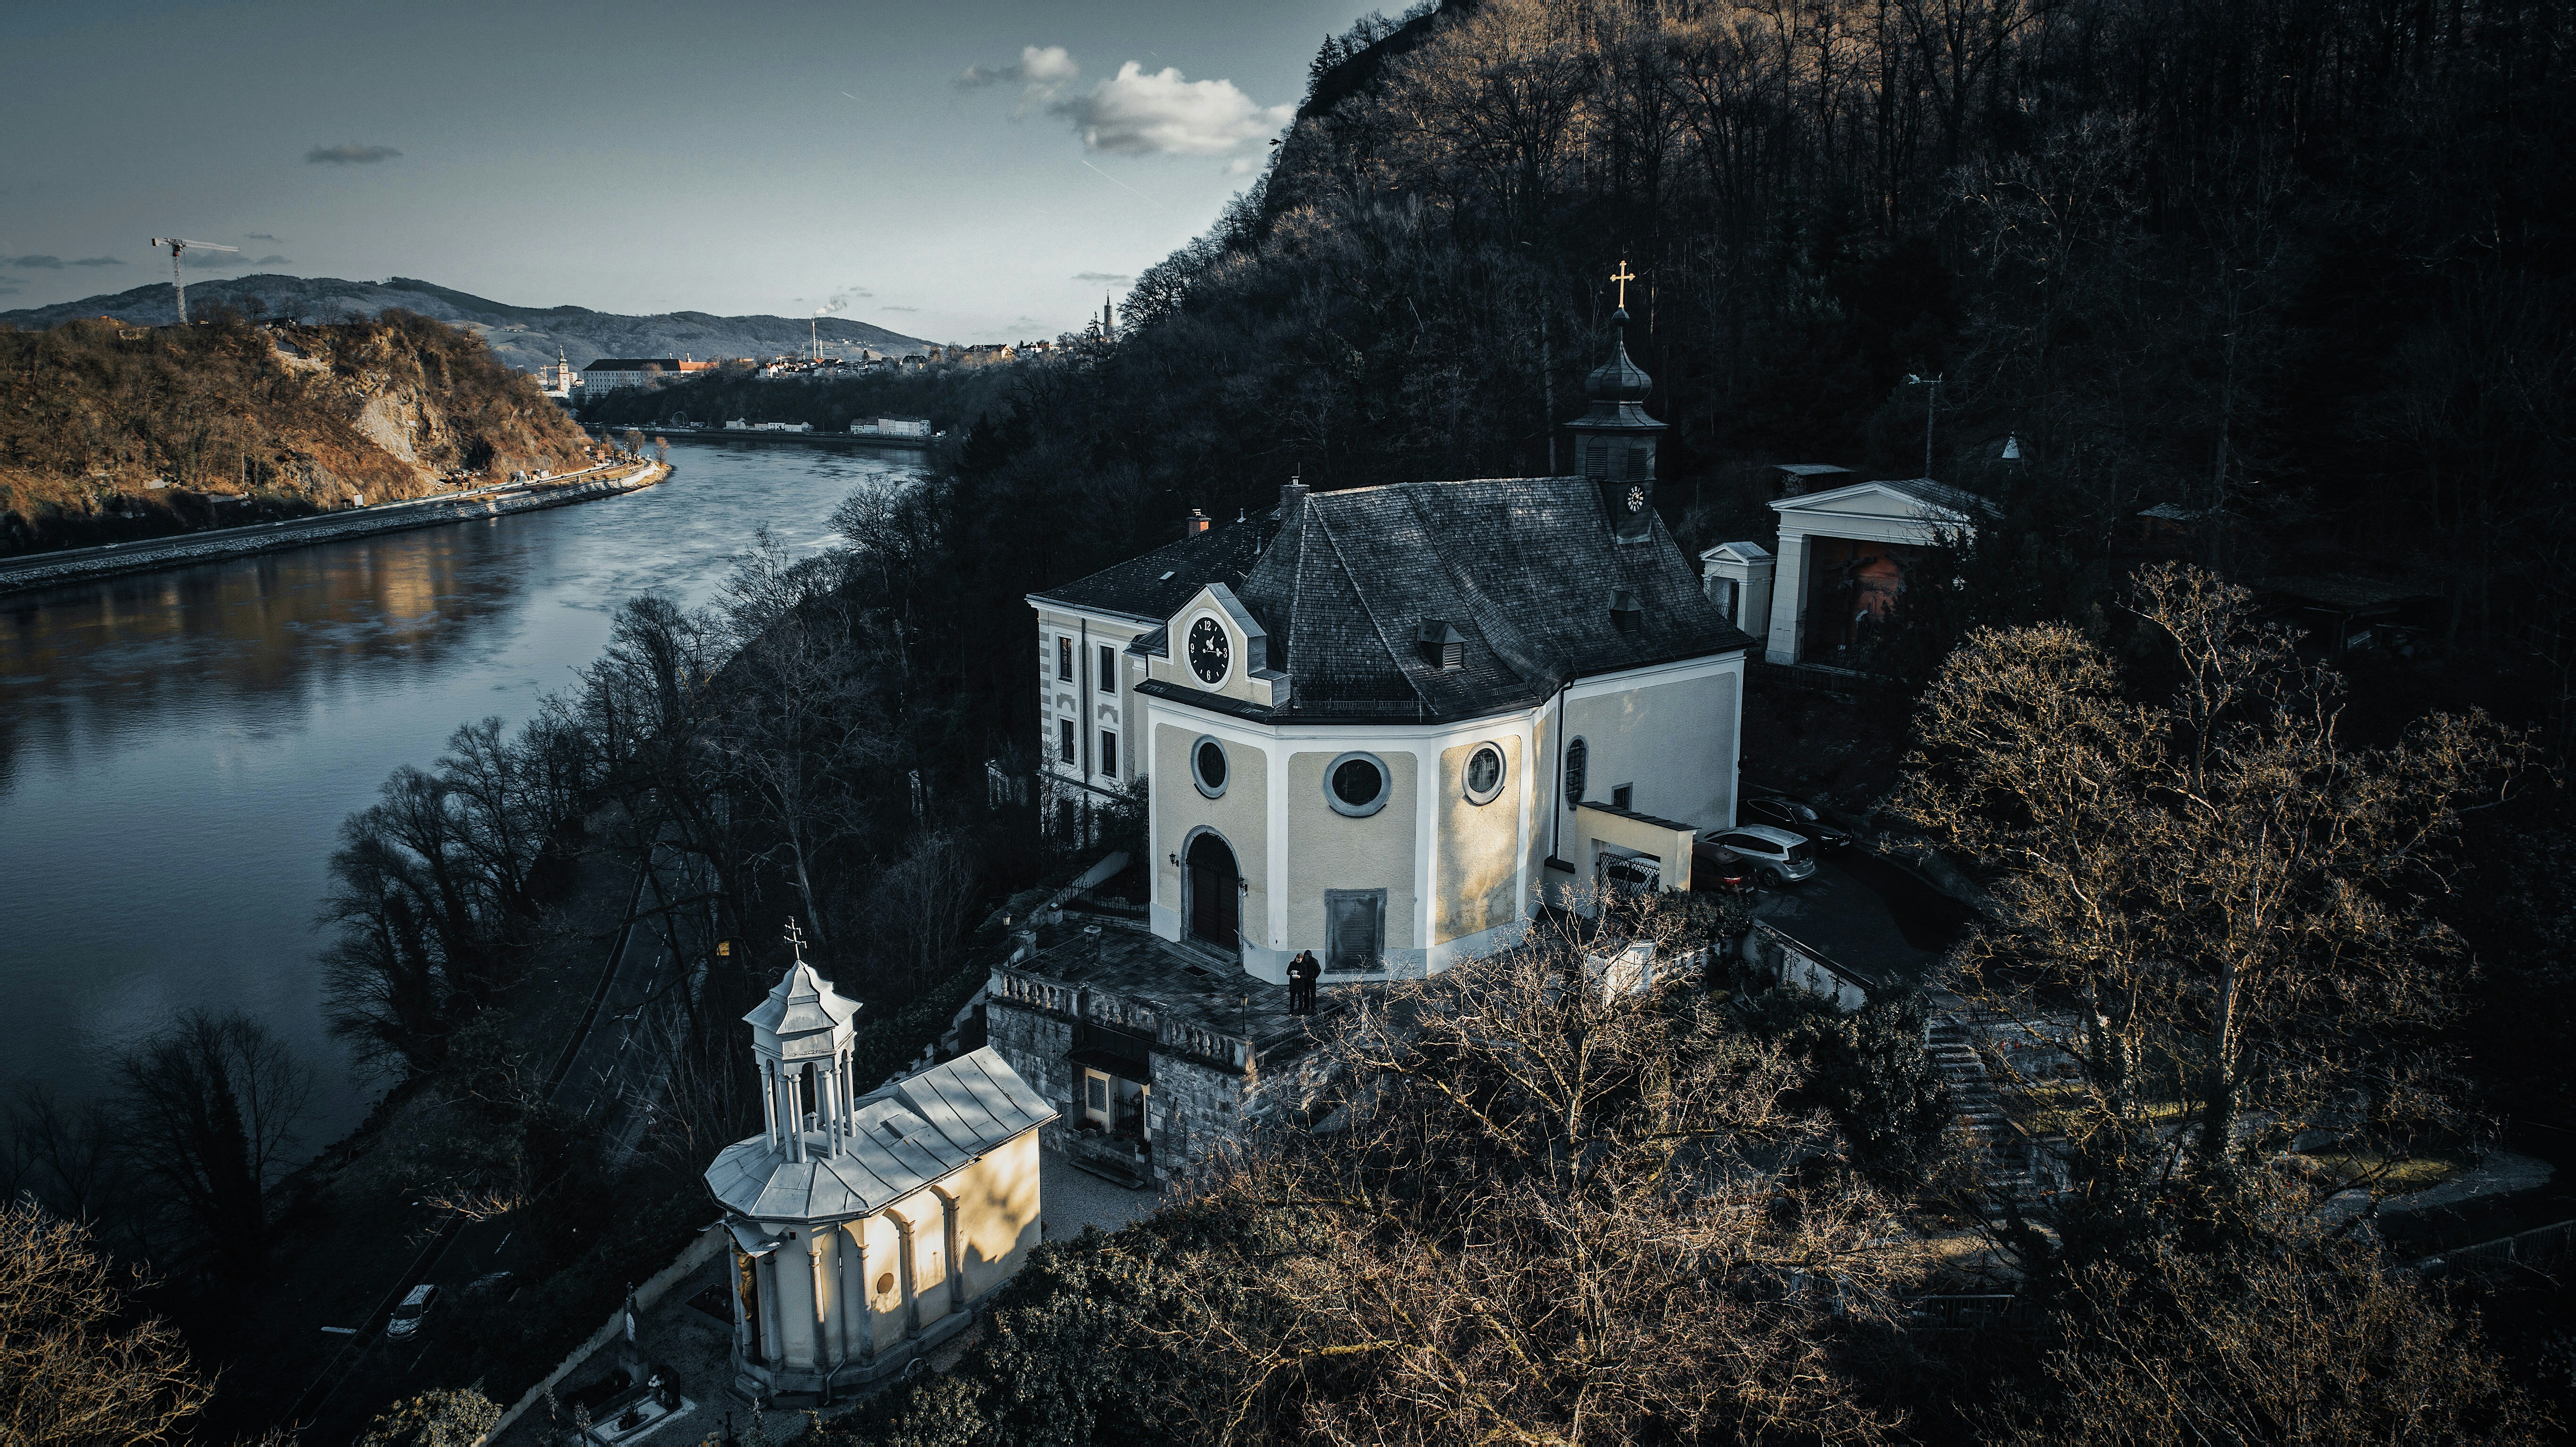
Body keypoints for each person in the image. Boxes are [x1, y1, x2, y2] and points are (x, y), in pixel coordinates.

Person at [1287, 949, 1321, 1013]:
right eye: (1305, 956)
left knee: (1313, 995)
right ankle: (1306, 1006)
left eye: (1307, 957)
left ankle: (1313, 1008)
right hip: (1305, 980)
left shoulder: (1314, 961)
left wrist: (1314, 978)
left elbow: (1319, 970)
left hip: (1312, 980)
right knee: (1306, 994)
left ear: (1310, 957)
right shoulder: (1303, 962)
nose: (1306, 958)